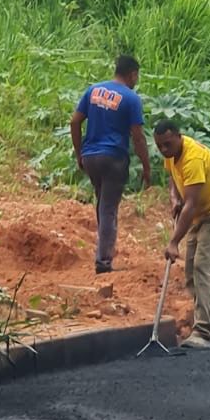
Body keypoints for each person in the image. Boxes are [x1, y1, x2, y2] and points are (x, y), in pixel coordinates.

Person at [153, 120, 210, 352]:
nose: (163, 150)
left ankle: (202, 332)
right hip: (201, 214)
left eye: (167, 145)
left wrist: (173, 242)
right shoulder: (171, 154)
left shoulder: (193, 159)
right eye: (159, 146)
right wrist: (174, 197)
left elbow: (190, 205)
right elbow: (173, 176)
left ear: (179, 137)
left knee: (203, 267)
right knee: (191, 271)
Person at [70, 54, 151, 275]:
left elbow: (75, 121)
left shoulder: (93, 90)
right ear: (132, 74)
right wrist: (146, 166)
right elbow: (138, 136)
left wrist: (80, 153)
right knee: (108, 208)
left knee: (102, 202)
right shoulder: (131, 98)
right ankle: (103, 261)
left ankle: (102, 250)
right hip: (114, 157)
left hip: (91, 156)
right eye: (137, 76)